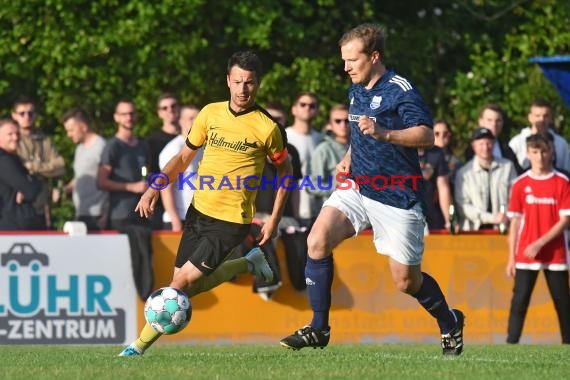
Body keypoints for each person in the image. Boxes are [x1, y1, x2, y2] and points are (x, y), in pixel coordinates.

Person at [279, 23, 464, 356]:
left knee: (406, 282)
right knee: (317, 239)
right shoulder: (356, 87)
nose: (346, 67)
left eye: (353, 60)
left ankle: (449, 321)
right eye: (344, 60)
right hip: (359, 187)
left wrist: (386, 134)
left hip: (398, 195)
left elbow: (426, 135)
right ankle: (319, 327)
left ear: (375, 56)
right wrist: (349, 156)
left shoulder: (400, 89)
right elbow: (359, 129)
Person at [119, 50, 293, 356]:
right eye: (237, 81)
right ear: (228, 80)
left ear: (259, 84)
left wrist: (275, 218)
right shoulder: (209, 114)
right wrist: (152, 189)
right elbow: (183, 159)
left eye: (249, 83)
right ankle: (248, 262)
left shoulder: (268, 128)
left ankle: (136, 348)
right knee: (185, 284)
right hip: (198, 213)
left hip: (231, 221)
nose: (243, 89)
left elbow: (285, 171)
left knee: (180, 283)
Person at [505, 134, 570, 344]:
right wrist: (511, 258)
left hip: (556, 253)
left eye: (543, 151)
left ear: (551, 152)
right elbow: (514, 223)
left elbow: (565, 220)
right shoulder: (520, 184)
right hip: (525, 254)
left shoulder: (562, 182)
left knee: (563, 303)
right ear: (527, 154)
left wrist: (540, 242)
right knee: (519, 301)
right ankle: (511, 344)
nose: (540, 156)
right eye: (534, 152)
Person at [97, 99, 154, 300]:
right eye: (124, 114)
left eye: (131, 113)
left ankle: (147, 295)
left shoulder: (143, 146)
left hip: (142, 213)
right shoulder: (112, 147)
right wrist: (131, 187)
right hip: (120, 215)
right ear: (116, 117)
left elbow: (148, 176)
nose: (128, 117)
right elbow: (101, 181)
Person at [12, 97, 66, 229]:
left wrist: (34, 167)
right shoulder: (11, 138)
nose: (27, 117)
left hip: (41, 200)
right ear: (14, 116)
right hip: (16, 198)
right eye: (22, 113)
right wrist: (45, 167)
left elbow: (60, 166)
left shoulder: (45, 140)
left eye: (30, 113)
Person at [454, 128, 517, 231]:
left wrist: (504, 216)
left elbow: (515, 197)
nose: (485, 147)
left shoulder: (508, 167)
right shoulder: (464, 173)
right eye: (481, 144)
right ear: (473, 146)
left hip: (503, 228)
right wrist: (491, 218)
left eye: (489, 143)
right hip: (474, 230)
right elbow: (463, 206)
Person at [62, 108, 108, 230]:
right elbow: (79, 176)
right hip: (81, 212)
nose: (69, 134)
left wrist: (106, 212)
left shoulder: (102, 147)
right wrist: (65, 189)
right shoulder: (79, 149)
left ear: (83, 126)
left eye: (71, 130)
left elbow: (109, 178)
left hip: (98, 214)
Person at [158, 104, 202, 231]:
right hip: (180, 220)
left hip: (199, 219)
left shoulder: (203, 147)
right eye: (191, 118)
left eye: (198, 118)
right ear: (181, 121)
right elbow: (165, 187)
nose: (195, 122)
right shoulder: (174, 148)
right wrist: (175, 221)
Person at [285, 92, 323, 227]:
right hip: (291, 212)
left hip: (319, 211)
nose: (307, 108)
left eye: (312, 106)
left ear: (317, 111)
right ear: (294, 109)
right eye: (303, 104)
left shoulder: (321, 140)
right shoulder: (284, 138)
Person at [145, 93, 181, 230]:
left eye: (173, 106)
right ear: (159, 113)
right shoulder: (152, 141)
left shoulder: (192, 139)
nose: (170, 110)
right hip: (162, 207)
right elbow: (149, 174)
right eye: (164, 108)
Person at [0, 119, 43, 230]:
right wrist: (32, 183)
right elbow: (30, 191)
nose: (15, 138)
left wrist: (31, 183)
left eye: (17, 134)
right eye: (10, 134)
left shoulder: (12, 159)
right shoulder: (4, 160)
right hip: (12, 225)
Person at [508, 98, 570, 173]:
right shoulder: (516, 143)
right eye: (537, 116)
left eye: (545, 116)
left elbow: (567, 170)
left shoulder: (561, 143)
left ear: (551, 118)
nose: (542, 120)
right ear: (530, 117)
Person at [308, 104, 350, 208]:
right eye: (338, 121)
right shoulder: (323, 149)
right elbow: (311, 185)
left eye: (347, 120)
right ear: (330, 124)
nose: (343, 125)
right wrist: (341, 188)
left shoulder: (359, 147)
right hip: (332, 210)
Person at [465, 103, 523, 175]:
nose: (494, 124)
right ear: (481, 122)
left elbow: (517, 174)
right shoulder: (471, 150)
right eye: (489, 120)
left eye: (498, 121)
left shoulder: (506, 149)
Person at [418, 145, 452, 231]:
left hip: (432, 215)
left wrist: (448, 220)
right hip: (407, 213)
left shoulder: (436, 153)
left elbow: (443, 187)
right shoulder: (399, 150)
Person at [433, 119, 462, 191]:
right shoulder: (422, 159)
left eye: (445, 133)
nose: (441, 136)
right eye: (437, 133)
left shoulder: (456, 163)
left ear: (449, 135)